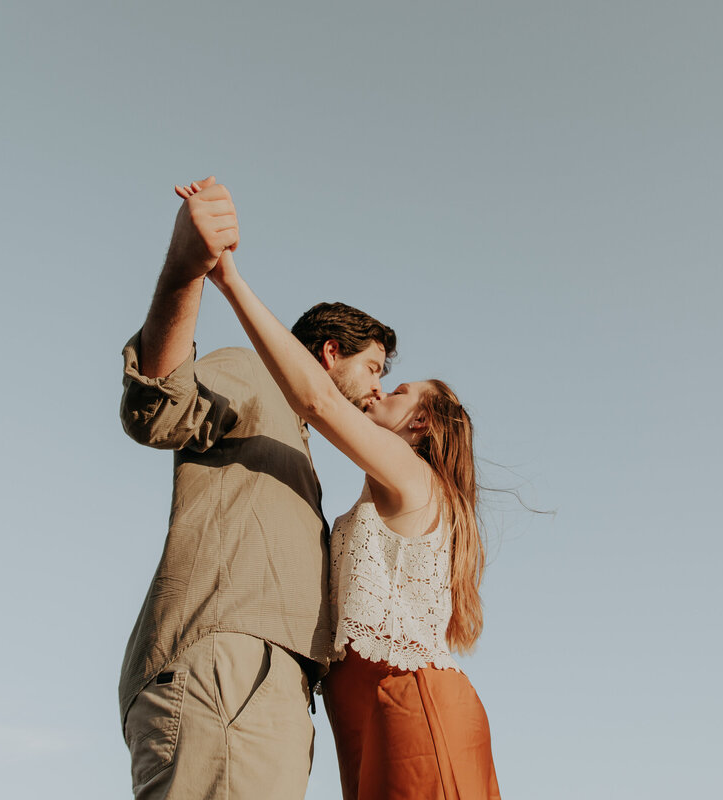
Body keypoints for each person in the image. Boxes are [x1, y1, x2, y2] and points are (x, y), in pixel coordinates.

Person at [178, 179, 501, 799]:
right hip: (361, 716)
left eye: (398, 388)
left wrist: (230, 283)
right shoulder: (379, 489)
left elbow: (320, 399)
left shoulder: (413, 476)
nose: (382, 390)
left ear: (424, 424)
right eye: (382, 376)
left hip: (411, 702)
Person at [117, 176, 398, 799]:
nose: (378, 388)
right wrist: (187, 272)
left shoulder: (297, 448)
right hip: (233, 674)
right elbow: (157, 408)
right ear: (329, 354)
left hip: (265, 690)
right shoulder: (256, 378)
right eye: (373, 367)